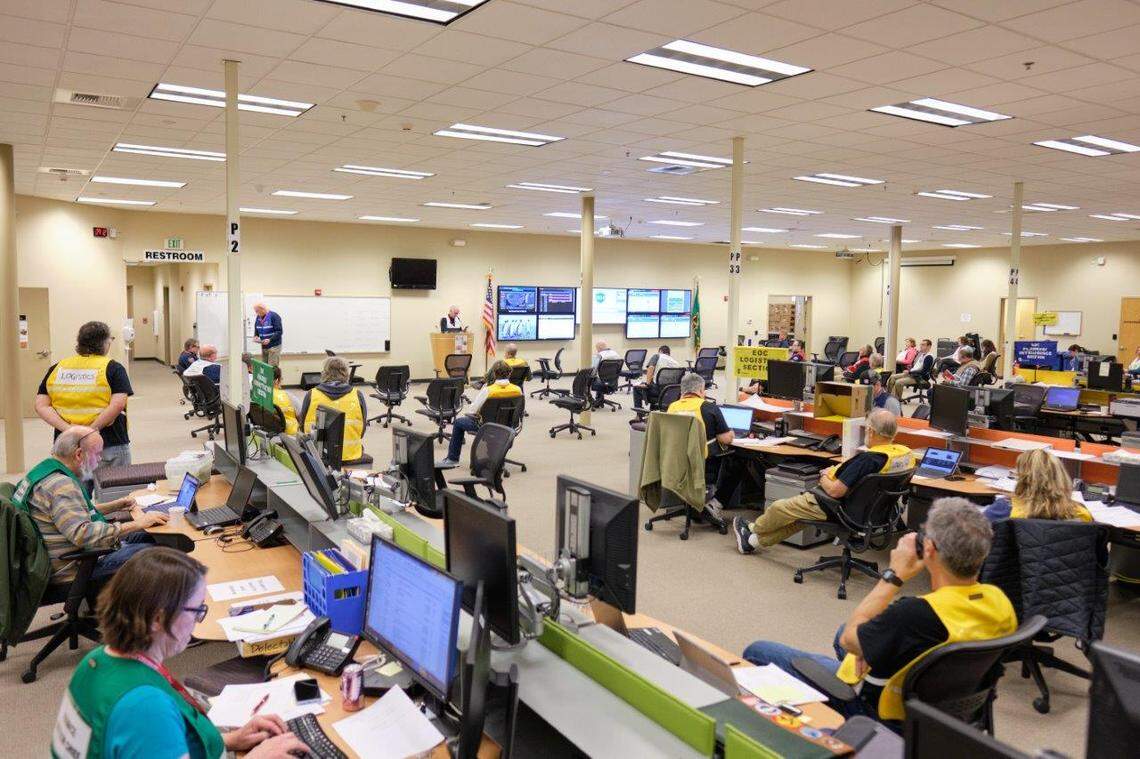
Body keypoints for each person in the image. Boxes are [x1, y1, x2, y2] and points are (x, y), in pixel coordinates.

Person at [740, 498, 1017, 722]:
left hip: (883, 714)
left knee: (759, 650)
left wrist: (894, 575)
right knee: (850, 635)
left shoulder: (914, 614)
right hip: (947, 711)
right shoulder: (1000, 602)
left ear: (929, 550)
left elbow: (850, 639)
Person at [53, 548, 309, 759]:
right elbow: (149, 733)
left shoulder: (96, 662)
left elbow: (154, 745)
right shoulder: (145, 707)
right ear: (158, 619)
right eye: (196, 610)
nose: (198, 620)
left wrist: (230, 740)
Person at [734, 409, 914, 552]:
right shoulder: (905, 456)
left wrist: (824, 476)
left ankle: (751, 528)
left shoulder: (867, 460)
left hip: (834, 506)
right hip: (871, 513)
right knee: (800, 519)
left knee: (778, 507)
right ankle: (752, 541)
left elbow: (835, 491)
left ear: (871, 431)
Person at [12, 426, 165, 586]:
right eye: (97, 454)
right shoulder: (61, 486)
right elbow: (82, 534)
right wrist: (138, 523)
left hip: (59, 556)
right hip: (73, 569)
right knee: (158, 553)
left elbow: (72, 514)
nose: (99, 460)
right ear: (79, 454)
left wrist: (115, 505)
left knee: (148, 536)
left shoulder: (45, 472)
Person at [35, 321, 134, 468]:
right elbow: (118, 404)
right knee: (114, 482)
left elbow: (41, 405)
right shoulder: (113, 368)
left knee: (73, 482)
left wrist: (71, 430)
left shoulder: (57, 368)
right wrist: (90, 431)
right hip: (108, 442)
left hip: (67, 444)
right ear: (105, 343)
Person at [667, 372, 735, 517]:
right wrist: (732, 433)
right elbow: (726, 439)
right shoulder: (709, 408)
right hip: (701, 465)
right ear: (700, 390)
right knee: (736, 462)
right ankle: (715, 503)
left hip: (675, 464)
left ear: (682, 390)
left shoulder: (671, 407)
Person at [439, 360, 522, 467]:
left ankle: (452, 459)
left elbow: (472, 411)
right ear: (510, 373)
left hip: (487, 426)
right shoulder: (517, 390)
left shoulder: (488, 390)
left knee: (459, 422)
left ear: (494, 373)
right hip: (509, 426)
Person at [983, 449, 1092, 522]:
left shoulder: (1004, 509)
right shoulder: (1081, 513)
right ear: (1061, 477)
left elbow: (978, 536)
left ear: (1023, 478)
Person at [300, 357, 368, 463]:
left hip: (317, 455)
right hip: (350, 454)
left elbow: (302, 426)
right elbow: (362, 430)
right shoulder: (357, 395)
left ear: (324, 373)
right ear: (346, 373)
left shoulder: (312, 394)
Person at [591, 340, 623, 406]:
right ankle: (599, 398)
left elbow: (593, 370)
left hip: (601, 382)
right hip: (613, 382)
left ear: (599, 348)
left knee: (587, 379)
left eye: (597, 349)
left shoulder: (599, 355)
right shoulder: (616, 354)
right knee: (601, 377)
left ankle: (590, 400)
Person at [253, 302, 283, 366]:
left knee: (272, 367)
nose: (256, 313)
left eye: (257, 311)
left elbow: (279, 331)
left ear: (262, 309)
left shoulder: (274, 316)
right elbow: (256, 328)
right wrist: (256, 336)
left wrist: (270, 340)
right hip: (264, 346)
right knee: (265, 366)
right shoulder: (258, 317)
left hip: (274, 346)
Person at [272, 366, 299, 436]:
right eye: (281, 378)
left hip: (269, 431)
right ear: (277, 381)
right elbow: (301, 414)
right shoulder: (287, 395)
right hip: (291, 433)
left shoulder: (260, 396)